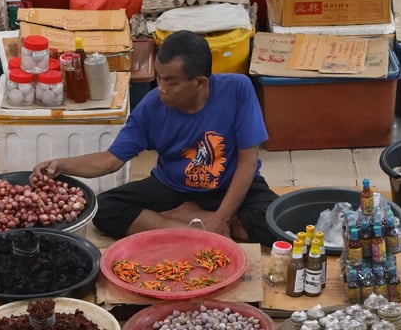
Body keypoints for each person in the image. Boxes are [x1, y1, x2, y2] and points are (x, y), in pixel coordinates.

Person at [33, 30, 278, 245]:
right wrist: (62, 165)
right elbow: (110, 160)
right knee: (105, 209)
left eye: (171, 83)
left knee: (278, 224)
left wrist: (221, 216)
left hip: (229, 185)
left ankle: (192, 217)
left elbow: (248, 161)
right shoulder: (152, 106)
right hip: (173, 188)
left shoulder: (238, 89)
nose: (161, 88)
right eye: (159, 78)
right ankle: (195, 229)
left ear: (200, 83)